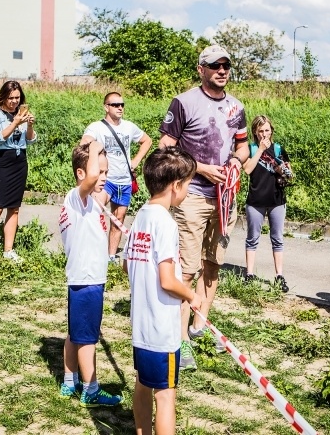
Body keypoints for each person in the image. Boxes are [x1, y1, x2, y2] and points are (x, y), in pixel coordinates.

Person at [158, 44, 250, 371]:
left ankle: (199, 326)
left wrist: (237, 161)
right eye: (215, 65)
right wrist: (199, 168)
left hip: (225, 199)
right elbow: (165, 149)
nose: (222, 70)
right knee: (187, 269)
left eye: (226, 65)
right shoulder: (184, 102)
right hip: (192, 195)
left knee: (213, 265)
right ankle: (179, 338)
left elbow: (243, 146)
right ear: (201, 69)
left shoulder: (237, 107)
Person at [126, 147, 202, 435]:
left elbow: (126, 264)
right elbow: (167, 281)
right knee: (166, 395)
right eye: (189, 184)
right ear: (176, 186)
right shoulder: (167, 224)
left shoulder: (141, 216)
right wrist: (191, 295)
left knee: (142, 384)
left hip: (141, 326)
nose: (188, 191)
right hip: (162, 331)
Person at [58, 140, 124, 407]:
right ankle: (91, 389)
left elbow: (108, 188)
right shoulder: (77, 198)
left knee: (76, 333)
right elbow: (93, 176)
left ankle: (69, 381)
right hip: (87, 280)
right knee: (88, 339)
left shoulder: (91, 202)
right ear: (80, 174)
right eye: (100, 171)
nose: (103, 177)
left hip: (83, 278)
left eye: (106, 172)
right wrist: (95, 142)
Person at [81, 92, 152, 263]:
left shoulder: (129, 127)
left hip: (124, 180)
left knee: (118, 219)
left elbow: (147, 141)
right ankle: (88, 252)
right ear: (106, 107)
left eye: (122, 105)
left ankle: (110, 257)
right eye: (115, 105)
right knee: (94, 214)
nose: (120, 108)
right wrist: (93, 148)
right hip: (106, 180)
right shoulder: (97, 127)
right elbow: (84, 143)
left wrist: (136, 161)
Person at [0, 80, 37, 269]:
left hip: (20, 160)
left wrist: (29, 125)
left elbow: (30, 140)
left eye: (17, 98)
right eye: (11, 98)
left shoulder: (21, 113)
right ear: (3, 97)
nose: (14, 101)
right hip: (3, 160)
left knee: (14, 208)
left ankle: (8, 251)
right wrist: (16, 122)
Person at [242, 115, 292, 292]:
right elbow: (247, 169)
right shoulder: (251, 149)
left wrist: (283, 170)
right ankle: (249, 274)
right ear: (255, 132)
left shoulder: (278, 149)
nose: (264, 134)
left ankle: (279, 275)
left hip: (276, 200)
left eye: (267, 130)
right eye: (261, 131)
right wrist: (260, 150)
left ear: (272, 131)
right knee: (252, 238)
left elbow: (289, 173)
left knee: (277, 239)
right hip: (256, 200)